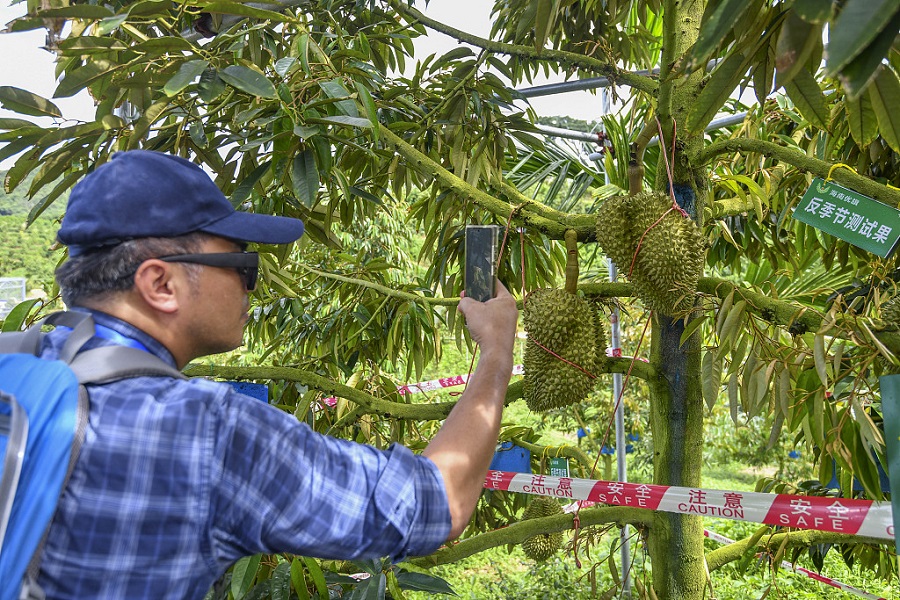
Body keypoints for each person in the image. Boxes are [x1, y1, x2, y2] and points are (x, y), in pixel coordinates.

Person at [34, 150, 519, 598]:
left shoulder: (20, 366)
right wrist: (496, 351)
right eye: (243, 264)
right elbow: (435, 502)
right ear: (161, 283)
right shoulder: (205, 433)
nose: (252, 286)